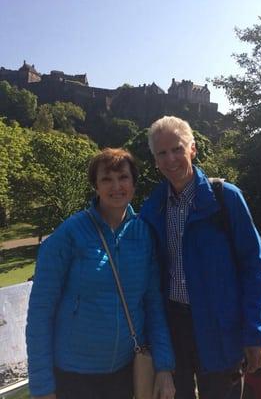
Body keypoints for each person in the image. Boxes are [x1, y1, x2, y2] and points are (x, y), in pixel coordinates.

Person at [26, 148, 175, 399]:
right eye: (106, 179)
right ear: (95, 185)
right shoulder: (70, 234)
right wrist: (42, 387)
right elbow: (40, 311)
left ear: (134, 183)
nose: (116, 186)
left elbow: (153, 306)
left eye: (123, 178)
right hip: (74, 376)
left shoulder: (143, 234)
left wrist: (164, 367)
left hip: (126, 373)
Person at [140, 116, 261, 399]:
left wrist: (255, 334)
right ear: (154, 160)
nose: (171, 158)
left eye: (177, 148)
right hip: (174, 328)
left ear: (193, 149)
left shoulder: (225, 198)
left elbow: (255, 267)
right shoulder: (153, 208)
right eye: (162, 153)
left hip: (220, 327)